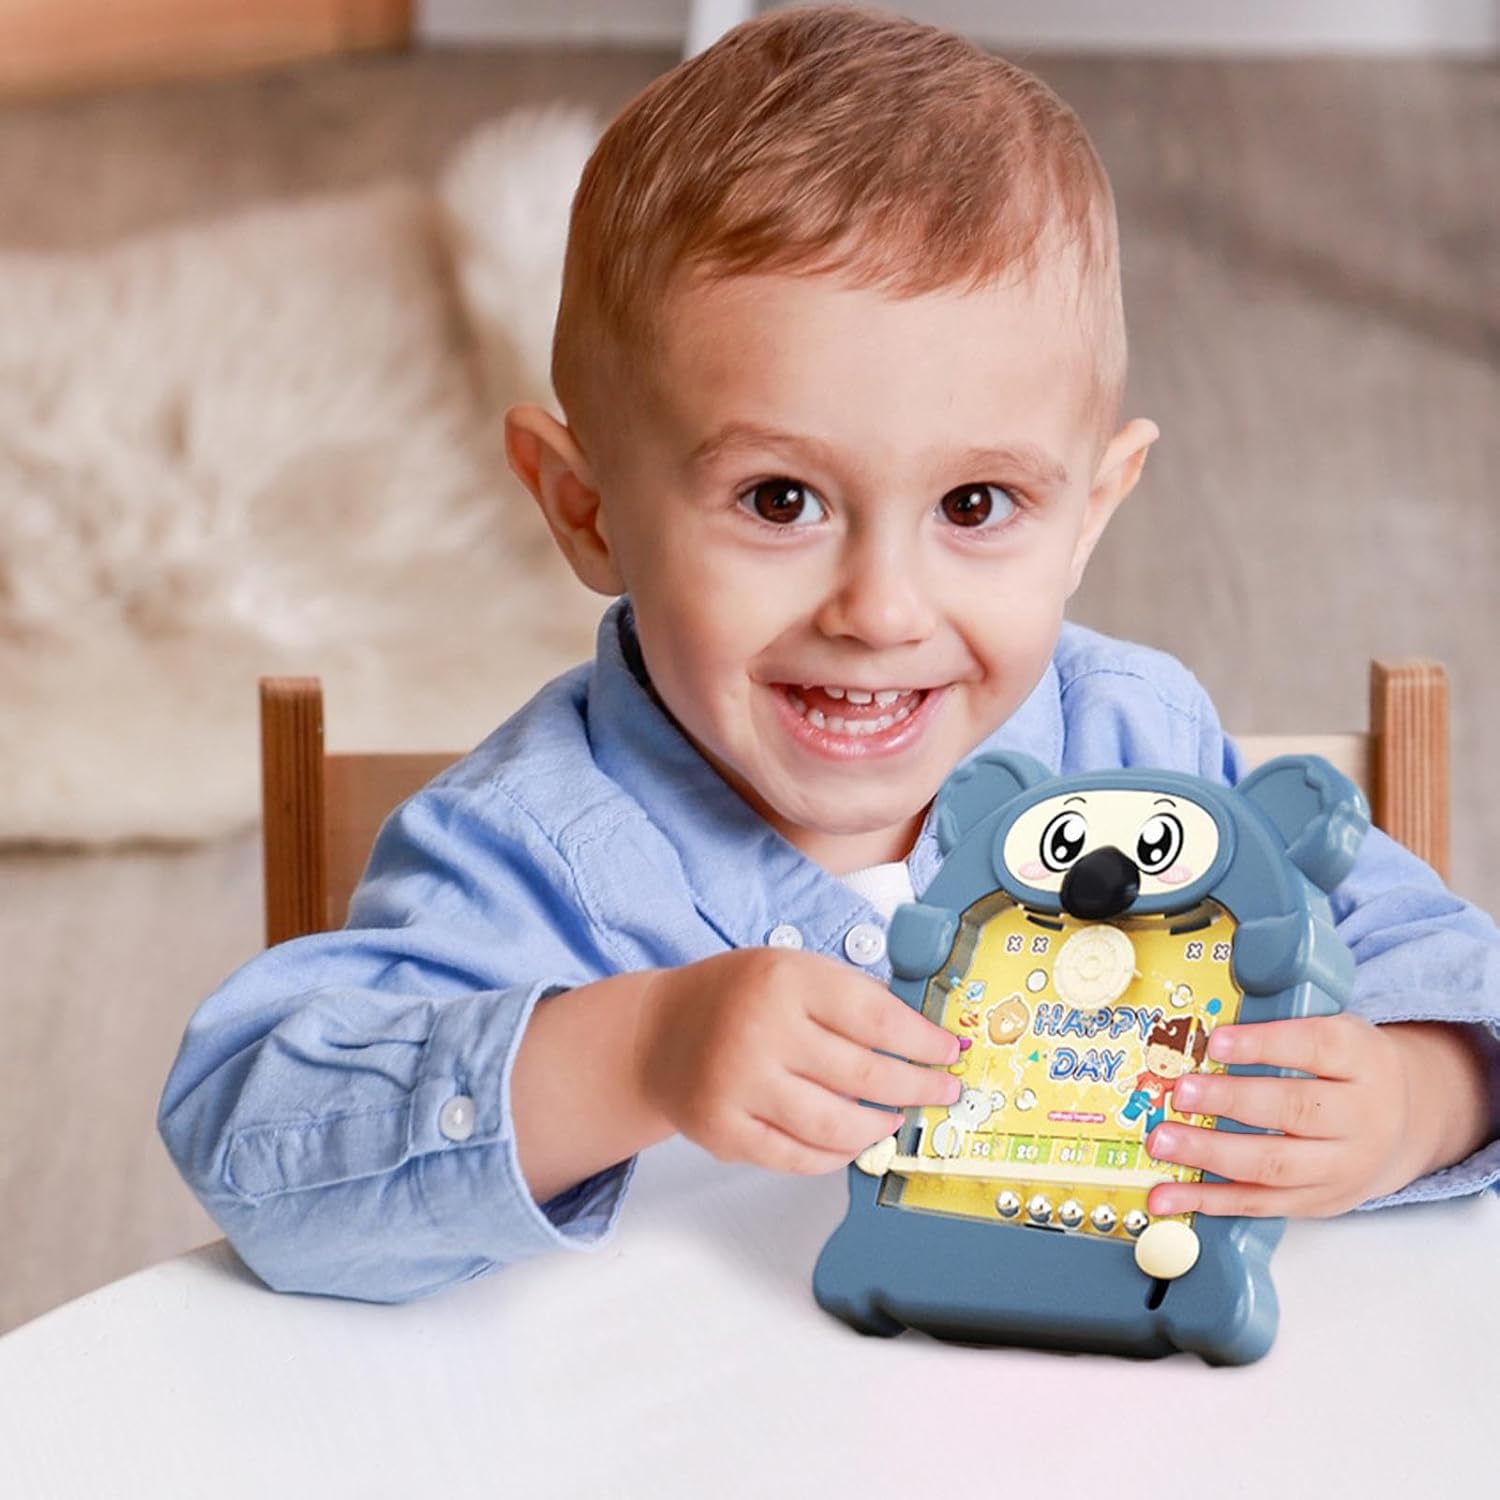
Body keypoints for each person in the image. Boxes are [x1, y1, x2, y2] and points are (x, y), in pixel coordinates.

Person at [158, 5, 1500, 1304]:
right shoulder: (534, 852)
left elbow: (1449, 978)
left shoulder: (1140, 747)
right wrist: (636, 1053)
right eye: (779, 499)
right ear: (586, 510)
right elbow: (255, 1144)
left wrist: (1412, 1100)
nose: (881, 609)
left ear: (1089, 514)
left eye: (976, 505)